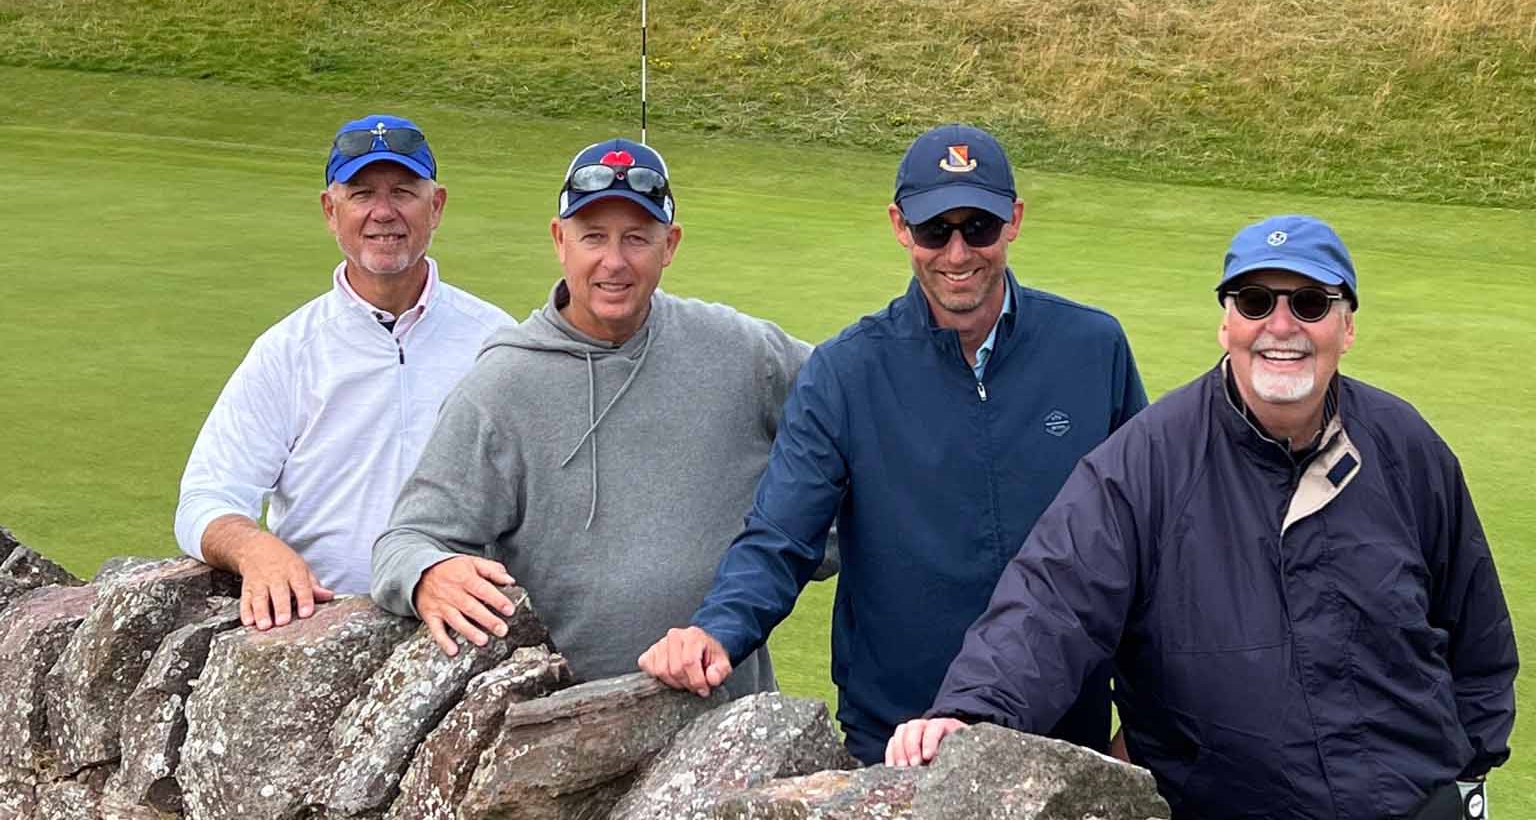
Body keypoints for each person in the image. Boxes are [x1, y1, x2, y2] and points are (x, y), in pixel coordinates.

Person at [890, 215, 1517, 820]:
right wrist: (973, 712)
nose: (1280, 326)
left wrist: (1467, 780)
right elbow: (1052, 603)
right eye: (1253, 301)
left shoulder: (1405, 445)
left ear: (1346, 326)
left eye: (1309, 303)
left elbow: (1477, 634)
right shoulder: (1145, 463)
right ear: (1226, 324)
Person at [639, 124, 1147, 764]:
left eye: (979, 228)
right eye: (936, 230)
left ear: (1014, 220)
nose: (958, 254)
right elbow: (780, 538)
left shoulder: (1092, 349)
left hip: (1057, 738)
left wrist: (1148, 721)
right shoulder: (845, 372)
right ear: (900, 226)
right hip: (895, 741)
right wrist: (719, 628)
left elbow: (1143, 546)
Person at [371, 138, 811, 697]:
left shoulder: (742, 351)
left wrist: (815, 540)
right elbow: (405, 539)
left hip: (724, 718)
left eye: (636, 238)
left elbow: (851, 412)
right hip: (564, 728)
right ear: (560, 240)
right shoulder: (501, 386)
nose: (614, 261)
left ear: (669, 245)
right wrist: (427, 574)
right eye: (593, 237)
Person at [174, 114, 511, 631]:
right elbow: (206, 497)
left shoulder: (495, 341)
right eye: (360, 194)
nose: (383, 212)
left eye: (403, 191)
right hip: (320, 630)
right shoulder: (287, 350)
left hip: (463, 629)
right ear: (331, 211)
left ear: (436, 206)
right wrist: (254, 547)